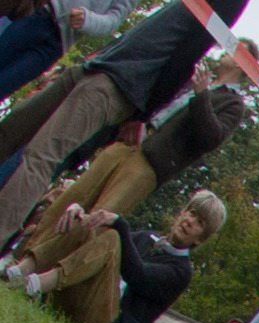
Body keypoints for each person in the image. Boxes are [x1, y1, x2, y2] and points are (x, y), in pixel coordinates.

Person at [0, 1, 244, 246]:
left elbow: (182, 60)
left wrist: (142, 115)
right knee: (10, 131)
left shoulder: (221, 7)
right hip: (96, 67)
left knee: (41, 157)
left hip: (117, 85)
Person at [14, 173, 209, 323]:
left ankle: (34, 285)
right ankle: (20, 271)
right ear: (182, 212)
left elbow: (137, 275)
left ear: (200, 238)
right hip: (85, 301)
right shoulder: (147, 237)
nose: (190, 221)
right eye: (191, 213)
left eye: (199, 222)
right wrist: (81, 215)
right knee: (88, 227)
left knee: (113, 238)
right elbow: (95, 248)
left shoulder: (181, 272)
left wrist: (119, 224)